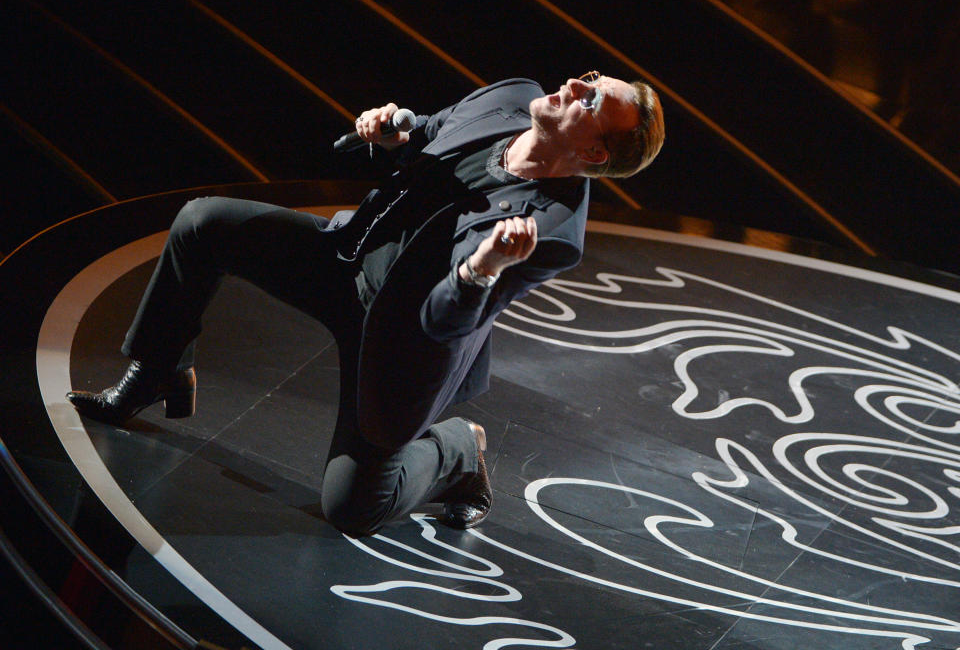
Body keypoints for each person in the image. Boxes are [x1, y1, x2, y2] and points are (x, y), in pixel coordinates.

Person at [67, 72, 665, 535]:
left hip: (404, 336)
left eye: (591, 102)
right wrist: (397, 131)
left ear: (592, 154)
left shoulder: (551, 227)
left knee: (352, 507)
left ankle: (459, 451)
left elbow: (445, 321)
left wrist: (481, 269)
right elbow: (434, 131)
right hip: (348, 258)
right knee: (202, 224)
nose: (576, 85)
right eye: (592, 76)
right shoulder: (514, 95)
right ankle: (158, 370)